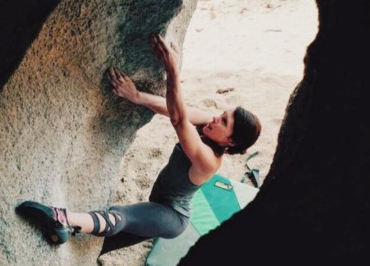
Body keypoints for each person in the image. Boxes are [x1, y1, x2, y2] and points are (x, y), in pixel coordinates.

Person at [16, 32, 261, 245]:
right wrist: (136, 96)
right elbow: (175, 108)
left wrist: (173, 71)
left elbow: (179, 120)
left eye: (225, 122)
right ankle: (66, 232)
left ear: (230, 142)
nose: (217, 118)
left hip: (171, 216)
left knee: (118, 217)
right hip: (157, 204)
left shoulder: (209, 161)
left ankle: (60, 218)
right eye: (222, 114)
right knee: (106, 243)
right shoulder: (210, 125)